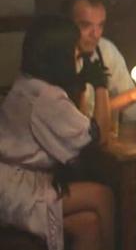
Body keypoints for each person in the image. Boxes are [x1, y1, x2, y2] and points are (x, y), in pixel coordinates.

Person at [0, 15, 115, 250]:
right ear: (58, 54)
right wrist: (100, 85)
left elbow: (79, 121)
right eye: (73, 49)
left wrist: (79, 84)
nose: (77, 54)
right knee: (103, 195)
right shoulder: (47, 97)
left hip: (10, 182)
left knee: (89, 225)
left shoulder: (28, 82)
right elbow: (101, 137)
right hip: (20, 189)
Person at [63, 0, 136, 123]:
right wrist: (132, 96)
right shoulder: (54, 59)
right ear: (67, 25)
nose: (95, 34)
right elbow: (78, 118)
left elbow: (133, 110)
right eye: (86, 25)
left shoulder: (105, 50)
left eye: (100, 25)